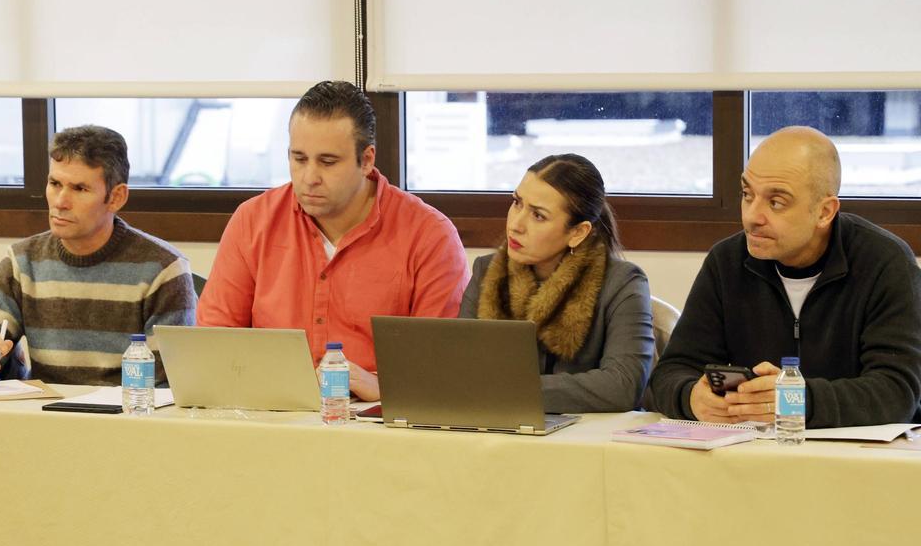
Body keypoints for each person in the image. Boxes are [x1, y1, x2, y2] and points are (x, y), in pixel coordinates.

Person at [198, 80, 469, 400]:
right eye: (299, 159)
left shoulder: (429, 236)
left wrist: (385, 388)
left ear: (367, 160)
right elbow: (213, 345)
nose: (309, 177)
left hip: (380, 423)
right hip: (272, 413)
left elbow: (441, 368)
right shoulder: (253, 220)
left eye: (327, 162)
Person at [650, 126, 921, 427]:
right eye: (746, 194)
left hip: (859, 461)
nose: (752, 216)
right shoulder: (726, 262)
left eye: (776, 202)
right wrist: (691, 397)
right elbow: (671, 371)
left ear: (824, 212)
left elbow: (898, 393)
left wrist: (793, 401)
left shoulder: (884, 262)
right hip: (752, 455)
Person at [0, 125, 195, 386]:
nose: (60, 201)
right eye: (54, 183)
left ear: (116, 197)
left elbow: (172, 385)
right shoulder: (23, 261)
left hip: (128, 420)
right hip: (44, 418)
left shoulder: (163, 268)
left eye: (80, 189)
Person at [459, 154, 653, 413]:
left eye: (538, 216)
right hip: (502, 430)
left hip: (590, 443)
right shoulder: (487, 271)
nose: (516, 225)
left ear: (578, 233)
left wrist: (507, 390)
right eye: (517, 203)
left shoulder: (622, 283)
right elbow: (459, 372)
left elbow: (623, 386)